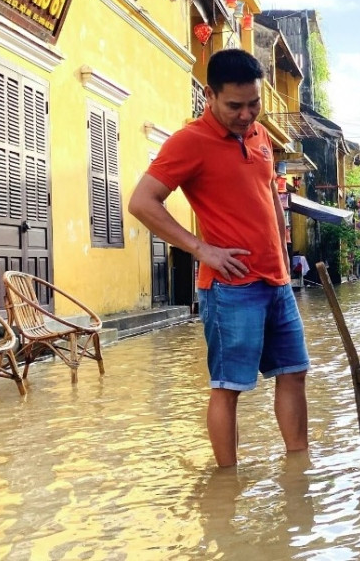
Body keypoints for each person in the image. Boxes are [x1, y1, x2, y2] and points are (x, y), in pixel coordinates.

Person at [127, 48, 309, 468]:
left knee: (294, 373)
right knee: (229, 387)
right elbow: (142, 201)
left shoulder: (259, 136)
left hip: (276, 281)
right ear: (209, 95)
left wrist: (283, 252)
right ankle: (227, 481)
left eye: (254, 104)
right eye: (235, 106)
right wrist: (200, 248)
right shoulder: (189, 141)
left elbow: (268, 195)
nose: (247, 115)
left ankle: (298, 468)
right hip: (231, 288)